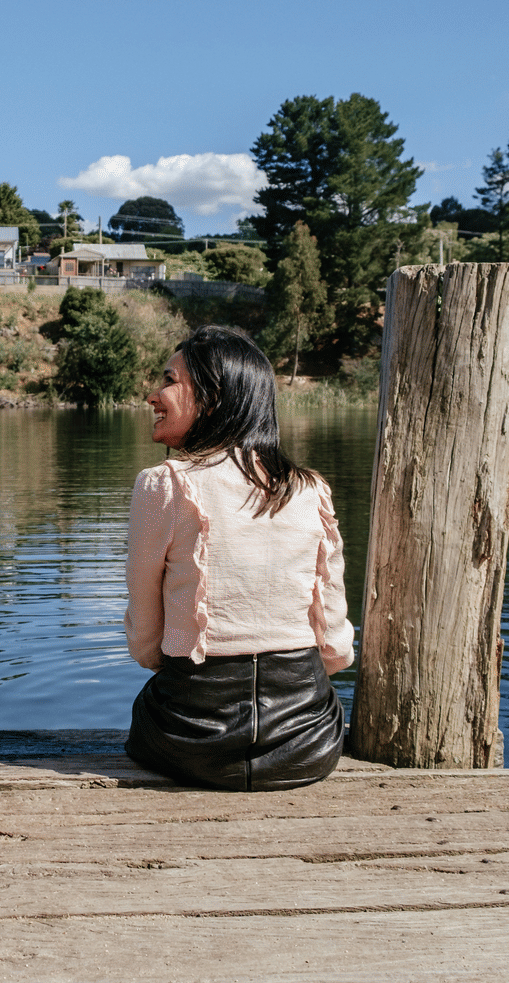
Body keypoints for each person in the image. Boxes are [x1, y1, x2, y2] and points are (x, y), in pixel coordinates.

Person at [123, 325, 353, 791]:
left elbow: (146, 642)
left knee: (148, 706)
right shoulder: (309, 489)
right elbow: (334, 643)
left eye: (169, 380)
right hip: (306, 744)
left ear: (212, 398)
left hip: (191, 740)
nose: (153, 395)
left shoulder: (163, 485)